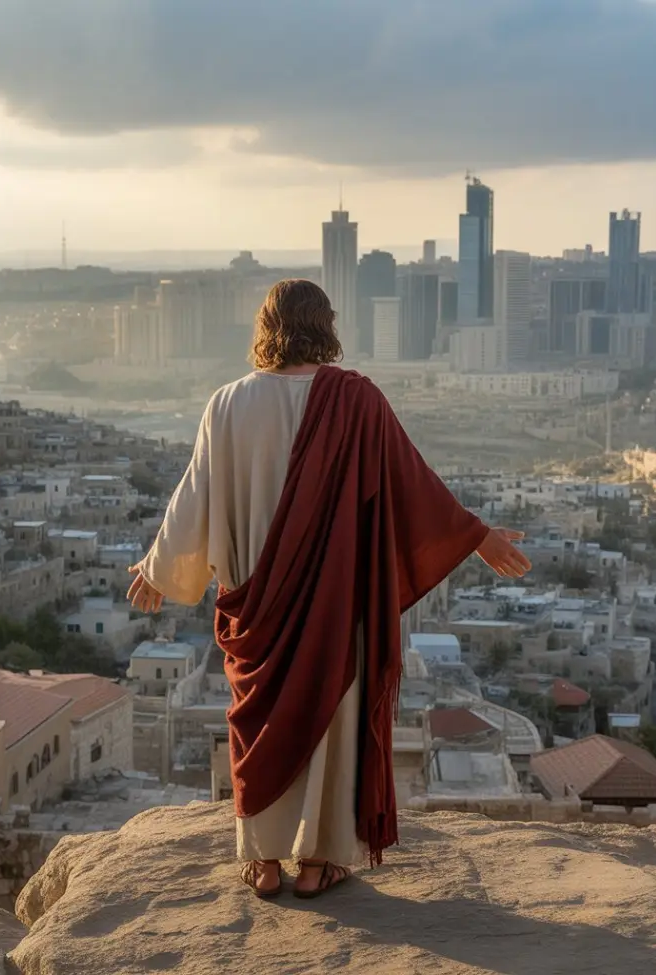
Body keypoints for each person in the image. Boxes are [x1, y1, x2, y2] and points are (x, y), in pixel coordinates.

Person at [128, 279, 530, 900]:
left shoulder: (227, 403)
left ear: (265, 328)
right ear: (326, 326)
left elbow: (194, 500)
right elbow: (412, 485)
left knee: (256, 725)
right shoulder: (356, 400)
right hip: (335, 606)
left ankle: (261, 861)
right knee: (329, 727)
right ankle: (318, 861)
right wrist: (476, 536)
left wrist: (158, 569)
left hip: (255, 607)